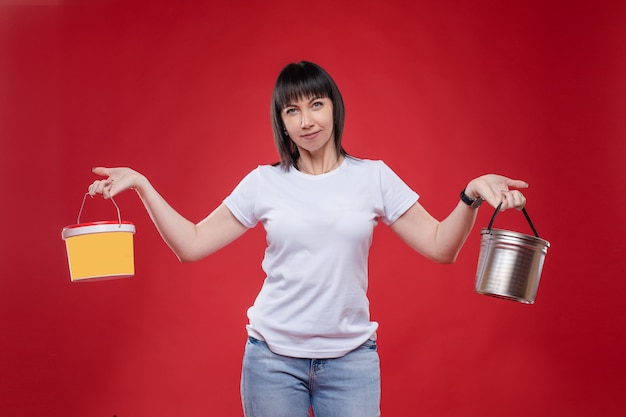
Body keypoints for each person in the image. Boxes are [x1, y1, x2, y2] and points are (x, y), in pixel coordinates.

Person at [88, 61, 528, 417]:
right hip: (271, 361)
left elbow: (439, 247)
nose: (306, 120)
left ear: (334, 108)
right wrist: (143, 185)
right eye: (291, 110)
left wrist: (470, 195)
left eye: (316, 104)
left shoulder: (372, 177)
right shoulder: (264, 182)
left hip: (351, 361)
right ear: (281, 122)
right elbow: (192, 243)